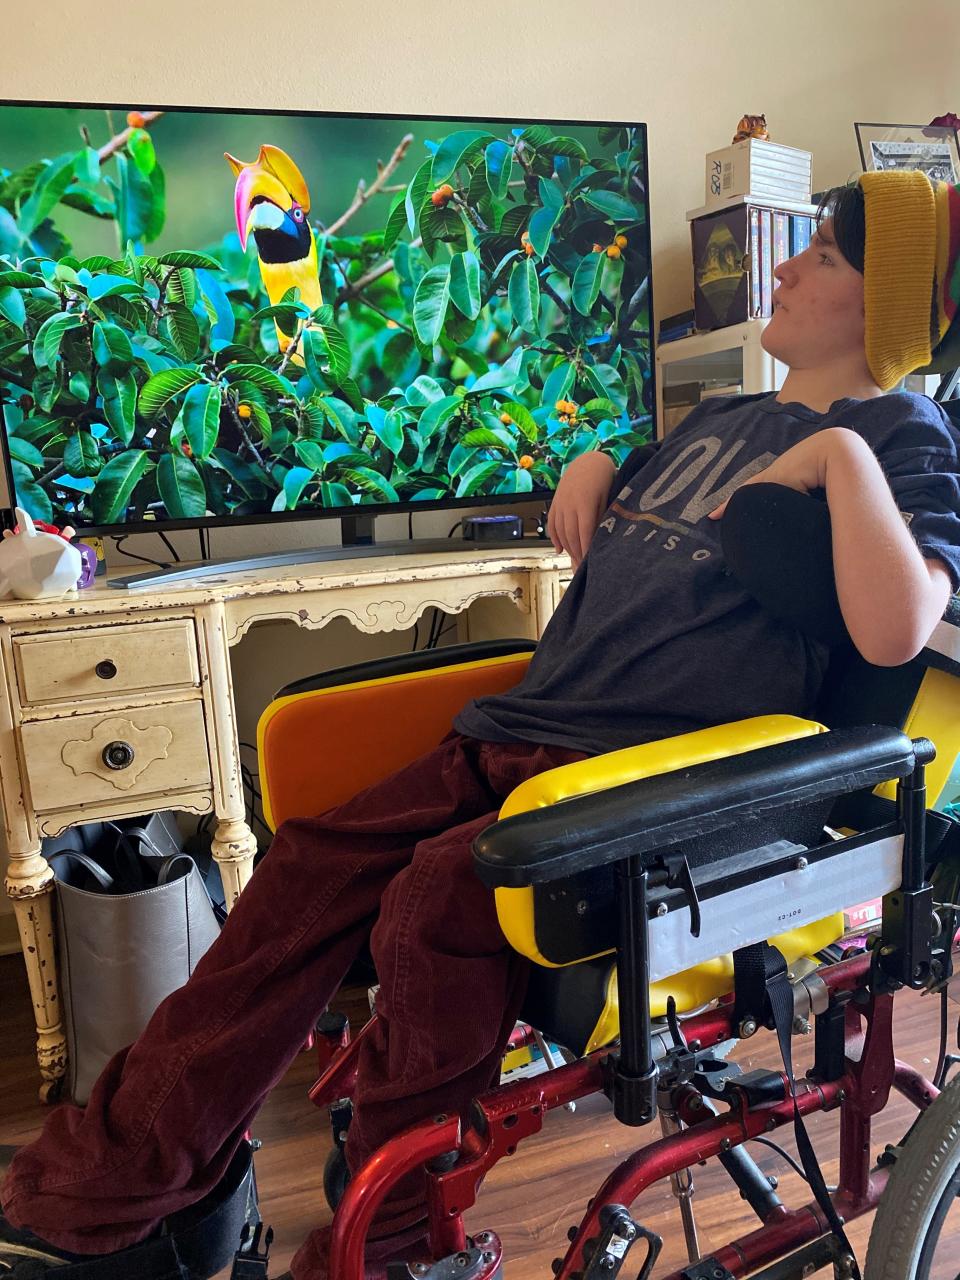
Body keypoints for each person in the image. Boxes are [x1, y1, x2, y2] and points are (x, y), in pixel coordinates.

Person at [3, 169, 960, 1280]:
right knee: (302, 863)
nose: (784, 267)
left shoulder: (902, 434)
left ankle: (398, 1238)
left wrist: (841, 459)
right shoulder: (728, 416)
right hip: (523, 724)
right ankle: (117, 1192)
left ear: (886, 303)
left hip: (642, 781)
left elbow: (899, 630)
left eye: (826, 257)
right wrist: (601, 458)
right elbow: (636, 495)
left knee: (433, 902)